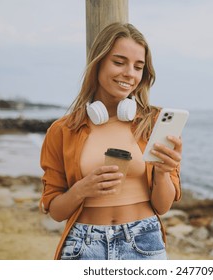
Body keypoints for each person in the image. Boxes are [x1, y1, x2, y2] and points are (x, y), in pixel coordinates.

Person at [39, 22, 182, 260]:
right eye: (119, 62)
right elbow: (55, 211)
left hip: (143, 242)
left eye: (138, 67)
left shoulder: (155, 123)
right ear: (98, 63)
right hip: (83, 246)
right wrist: (82, 189)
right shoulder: (62, 130)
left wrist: (163, 172)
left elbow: (162, 207)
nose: (130, 73)